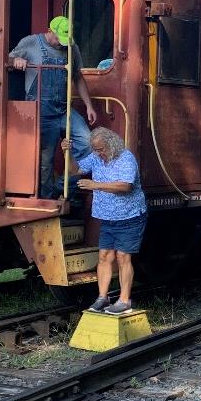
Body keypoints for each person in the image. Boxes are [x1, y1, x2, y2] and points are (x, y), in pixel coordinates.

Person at [9, 16, 98, 198]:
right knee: (45, 161)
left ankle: (62, 186)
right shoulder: (30, 42)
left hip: (64, 109)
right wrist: (16, 61)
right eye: (59, 39)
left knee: (88, 143)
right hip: (40, 110)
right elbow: (9, 59)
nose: (62, 44)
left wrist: (89, 105)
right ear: (50, 31)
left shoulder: (71, 47)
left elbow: (78, 77)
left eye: (65, 40)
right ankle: (47, 200)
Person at [63, 127, 146, 315]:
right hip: (108, 217)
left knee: (123, 257)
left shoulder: (126, 158)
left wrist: (96, 185)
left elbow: (125, 186)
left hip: (129, 216)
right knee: (104, 257)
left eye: (100, 149)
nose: (98, 153)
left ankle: (124, 300)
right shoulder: (96, 157)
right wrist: (67, 153)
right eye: (95, 149)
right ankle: (102, 297)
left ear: (111, 144)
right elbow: (75, 170)